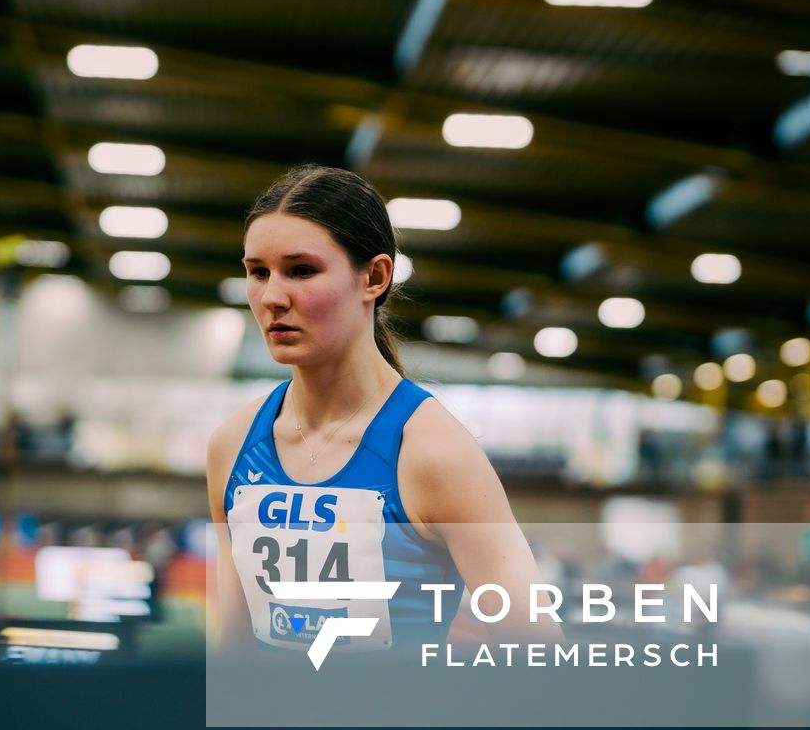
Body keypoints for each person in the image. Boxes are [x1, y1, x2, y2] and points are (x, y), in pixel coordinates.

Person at [205, 164, 553, 660]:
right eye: (258, 272)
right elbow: (233, 659)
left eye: (301, 270)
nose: (272, 297)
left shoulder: (436, 453)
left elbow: (542, 654)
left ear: (375, 276)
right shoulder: (232, 446)